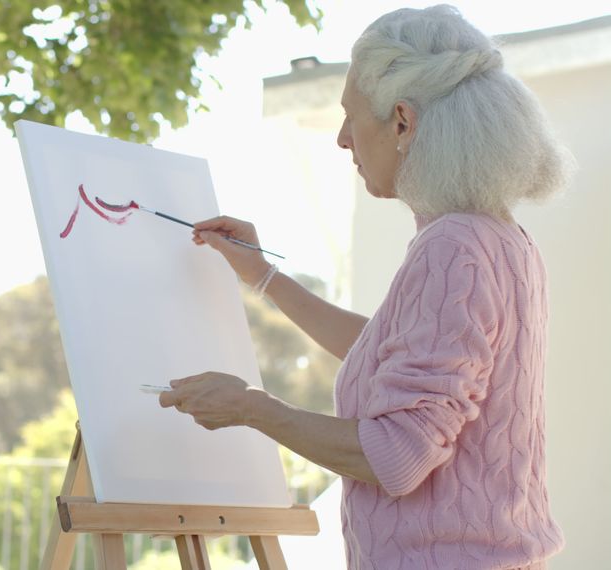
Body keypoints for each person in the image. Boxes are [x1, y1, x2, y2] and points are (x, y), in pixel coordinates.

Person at [158, 5, 572, 569]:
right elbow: (393, 347)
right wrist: (265, 276)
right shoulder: (500, 237)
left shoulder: (453, 247)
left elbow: (396, 455)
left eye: (352, 115)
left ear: (403, 122)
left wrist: (251, 408)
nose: (341, 138)